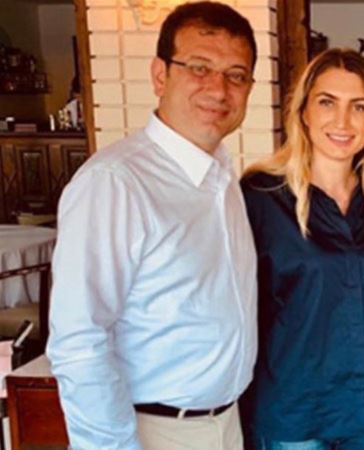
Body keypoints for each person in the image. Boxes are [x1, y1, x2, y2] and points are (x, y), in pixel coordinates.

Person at [46, 3, 258, 449]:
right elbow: (80, 341)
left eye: (236, 75)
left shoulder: (222, 177)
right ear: (160, 75)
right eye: (199, 68)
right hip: (152, 431)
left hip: (226, 424)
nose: (219, 88)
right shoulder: (116, 183)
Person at [239, 48, 364, 450]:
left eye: (359, 107)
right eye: (327, 102)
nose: (342, 121)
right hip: (294, 412)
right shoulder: (261, 196)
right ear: (303, 112)